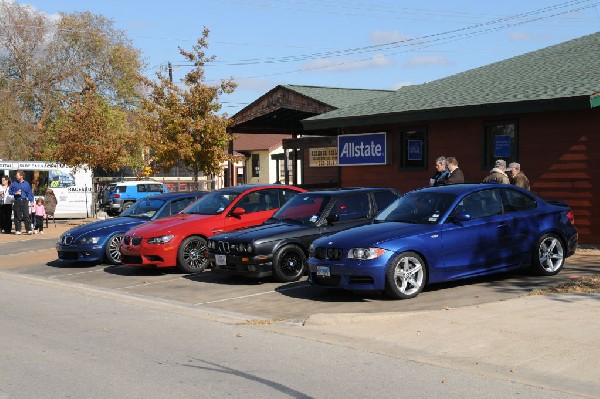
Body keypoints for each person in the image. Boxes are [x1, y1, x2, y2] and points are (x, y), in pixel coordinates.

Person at [8, 170, 34, 235]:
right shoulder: (14, 183)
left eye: (17, 175)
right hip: (17, 201)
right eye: (16, 175)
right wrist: (15, 193)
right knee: (17, 216)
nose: (16, 176)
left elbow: (29, 193)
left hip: (25, 200)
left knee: (26, 215)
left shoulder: (26, 183)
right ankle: (18, 230)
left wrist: (31, 201)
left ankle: (28, 230)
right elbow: (10, 192)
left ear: (21, 176)